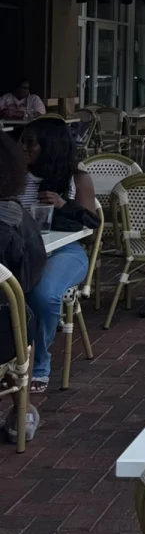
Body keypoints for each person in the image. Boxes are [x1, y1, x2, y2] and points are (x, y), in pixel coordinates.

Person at [18, 118, 95, 395]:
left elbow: (91, 222)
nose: (22, 147)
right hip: (23, 252)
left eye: (30, 142)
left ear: (49, 146)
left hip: (65, 251)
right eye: (21, 140)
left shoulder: (76, 178)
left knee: (43, 294)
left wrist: (64, 204)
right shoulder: (13, 175)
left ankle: (39, 363)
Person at [0, 133, 44, 441]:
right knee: (19, 315)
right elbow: (28, 278)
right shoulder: (13, 216)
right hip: (4, 335)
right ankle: (21, 410)